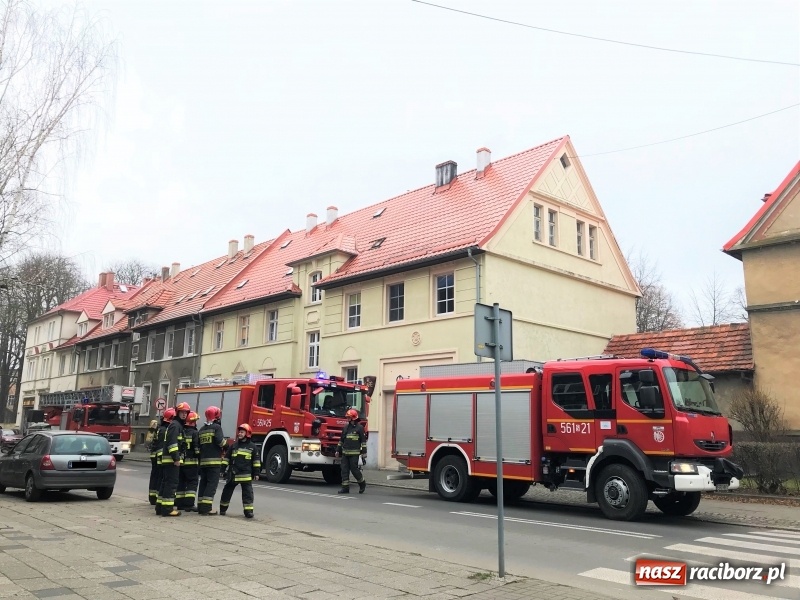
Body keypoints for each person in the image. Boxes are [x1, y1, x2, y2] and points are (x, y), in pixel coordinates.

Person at [219, 424, 261, 518]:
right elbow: (227, 458)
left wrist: (257, 473)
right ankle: (222, 509)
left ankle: (248, 512)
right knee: (227, 492)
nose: (240, 434)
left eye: (242, 432)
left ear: (247, 434)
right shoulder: (234, 446)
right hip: (233, 474)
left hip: (245, 475)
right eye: (239, 432)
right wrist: (222, 469)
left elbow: (256, 461)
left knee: (248, 494)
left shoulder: (252, 447)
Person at [158, 402, 190, 517]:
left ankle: (160, 507)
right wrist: (176, 458)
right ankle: (167, 509)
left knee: (166, 483)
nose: (184, 415)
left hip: (168, 460)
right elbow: (172, 443)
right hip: (171, 461)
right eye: (182, 412)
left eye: (186, 413)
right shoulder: (176, 426)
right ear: (178, 413)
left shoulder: (176, 425)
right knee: (171, 484)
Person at [197, 406, 227, 516]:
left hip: (203, 462)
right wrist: (226, 445)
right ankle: (206, 508)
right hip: (214, 462)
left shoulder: (201, 430)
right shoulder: (216, 428)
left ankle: (200, 506)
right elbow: (220, 442)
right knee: (211, 484)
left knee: (203, 483)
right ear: (216, 416)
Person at [335, 408, 367, 494]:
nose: (347, 419)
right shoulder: (345, 428)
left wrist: (364, 452)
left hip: (354, 454)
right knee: (344, 470)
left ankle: (362, 483)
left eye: (348, 417)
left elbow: (363, 441)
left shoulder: (360, 428)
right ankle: (345, 488)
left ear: (353, 418)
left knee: (354, 470)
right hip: (345, 453)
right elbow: (341, 440)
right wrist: (338, 450)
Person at [176, 411, 200, 512]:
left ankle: (180, 503)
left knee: (181, 482)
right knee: (192, 482)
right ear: (192, 422)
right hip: (192, 463)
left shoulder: (182, 431)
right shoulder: (195, 433)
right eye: (195, 421)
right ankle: (189, 504)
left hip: (182, 462)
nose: (196, 423)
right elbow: (197, 449)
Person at [148, 415, 168, 509]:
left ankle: (152, 497)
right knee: (159, 477)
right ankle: (155, 497)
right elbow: (161, 445)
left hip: (153, 455)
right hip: (158, 456)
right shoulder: (164, 430)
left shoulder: (158, 428)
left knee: (154, 477)